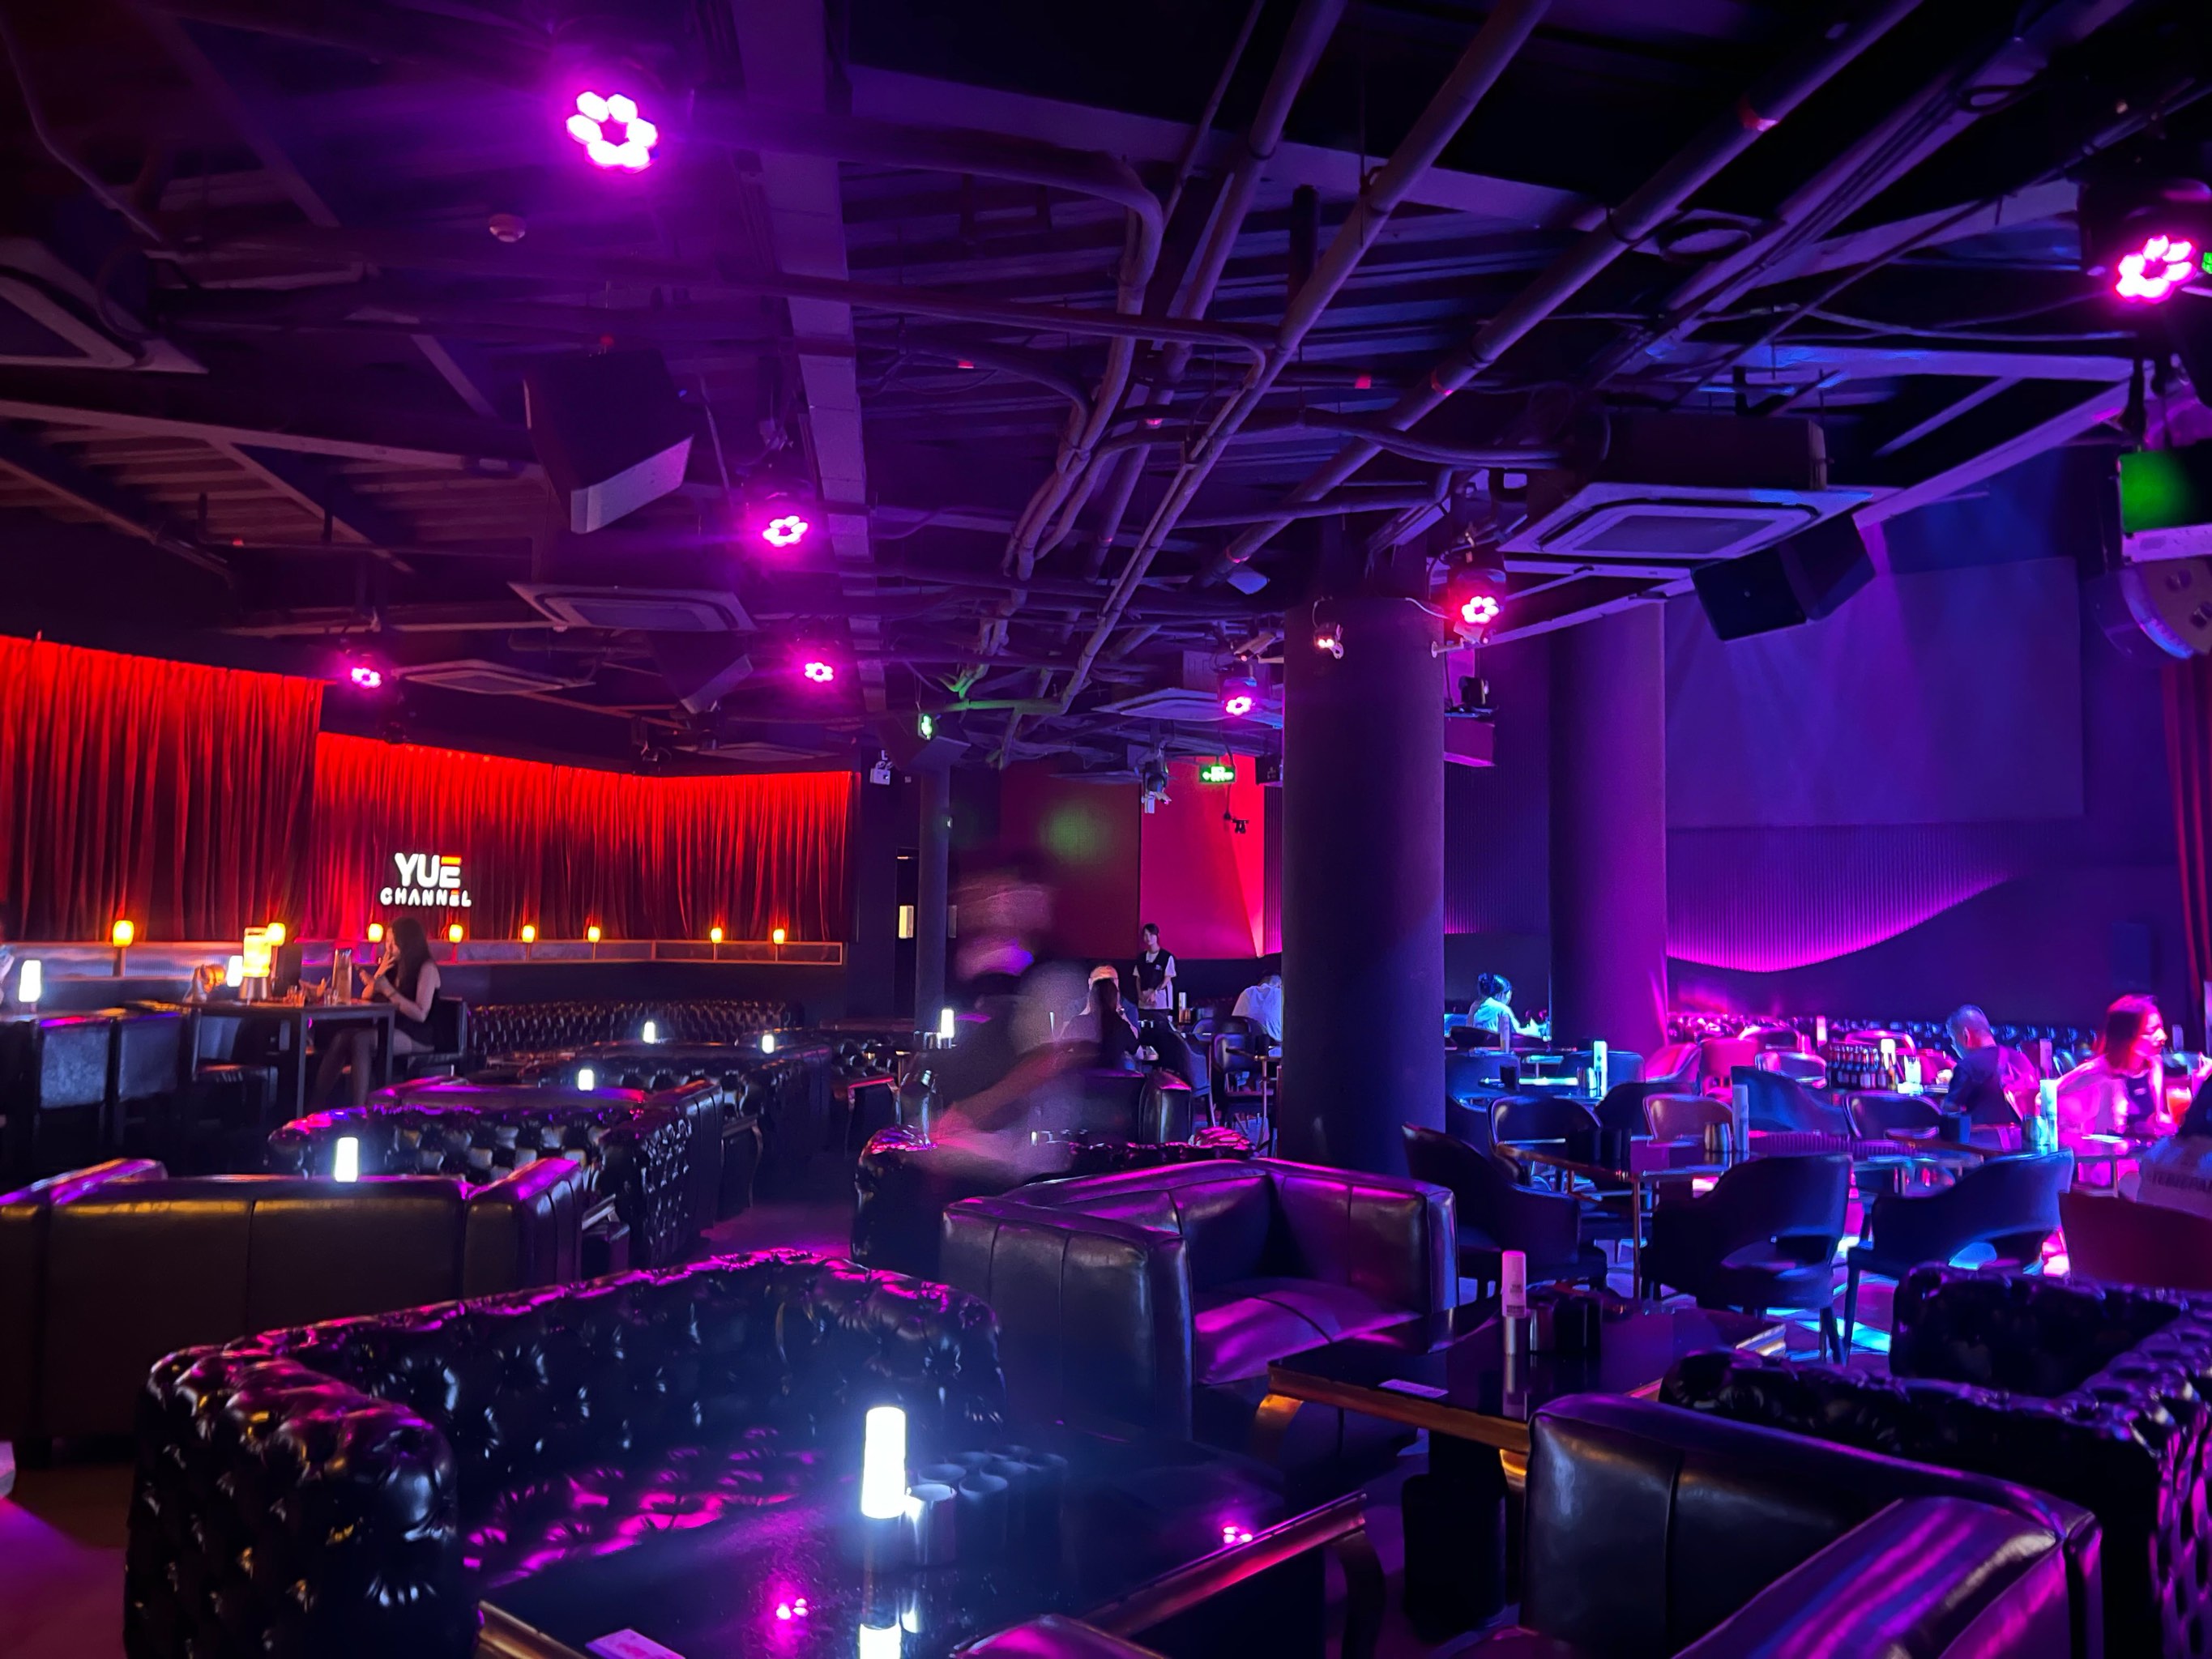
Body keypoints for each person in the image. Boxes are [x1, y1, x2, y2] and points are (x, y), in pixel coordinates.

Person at [314, 915, 441, 1105]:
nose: (388, 948)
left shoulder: (426, 968)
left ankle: (361, 1109)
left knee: (362, 1040)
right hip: (391, 1028)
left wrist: (388, 990)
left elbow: (421, 1014)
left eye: (393, 943)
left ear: (408, 943)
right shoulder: (394, 966)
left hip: (417, 1035)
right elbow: (366, 995)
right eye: (387, 942)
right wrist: (380, 972)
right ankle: (316, 1104)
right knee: (343, 1037)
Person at [2056, 994, 2178, 1144]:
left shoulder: (2154, 1066)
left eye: (2161, 1027)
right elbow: (2045, 1098)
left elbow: (2150, 1121)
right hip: (2107, 1157)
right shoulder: (2095, 1072)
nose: (2163, 1036)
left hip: (2143, 1155)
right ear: (2126, 1036)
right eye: (2150, 1031)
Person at [1943, 1004, 2025, 1129]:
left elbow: (1950, 1110)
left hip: (1983, 1139)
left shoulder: (1967, 1066)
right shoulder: (2021, 1059)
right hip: (2024, 1138)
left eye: (1953, 1039)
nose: (1953, 1046)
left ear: (1966, 1035)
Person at [1467, 972, 1543, 1045]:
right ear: (1502, 994)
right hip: (1496, 1051)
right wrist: (1534, 1029)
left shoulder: (1474, 1006)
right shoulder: (1502, 1009)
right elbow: (1517, 1034)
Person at [1232, 970, 1283, 1048]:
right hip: (1275, 1048)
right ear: (1280, 984)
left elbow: (1235, 1024)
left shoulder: (1246, 993)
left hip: (1242, 1047)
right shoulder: (1280, 994)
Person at [1133, 922, 1176, 1011]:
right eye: (1146, 935)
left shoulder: (1166, 957)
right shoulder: (1141, 958)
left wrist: (1154, 993)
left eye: (1151, 935)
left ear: (1157, 936)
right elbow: (1138, 978)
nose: (1148, 938)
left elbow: (1167, 979)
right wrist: (1140, 995)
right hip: (1144, 1003)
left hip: (1161, 1003)